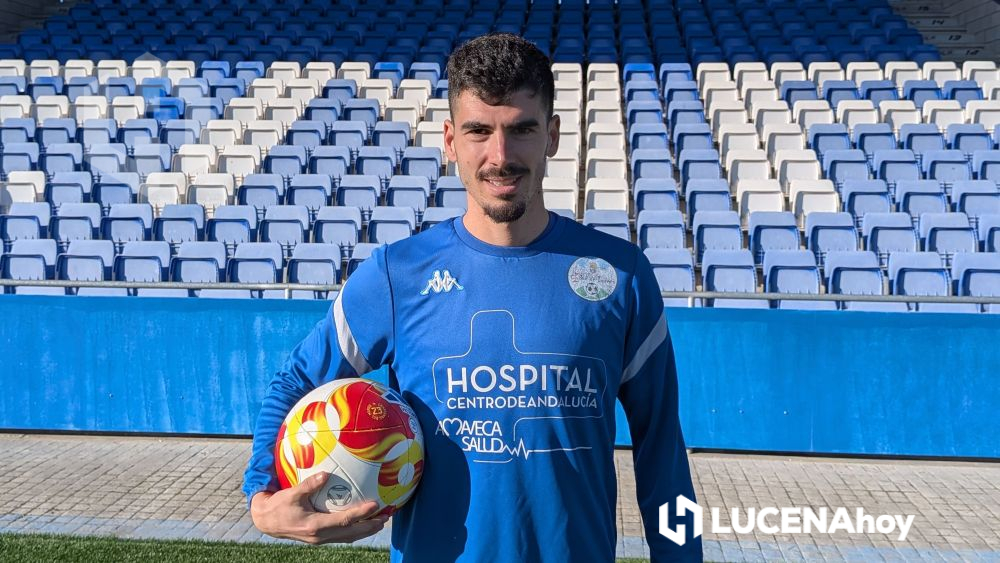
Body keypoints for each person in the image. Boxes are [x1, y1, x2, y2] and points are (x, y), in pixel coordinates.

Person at [244, 33, 703, 562]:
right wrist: (262, 498)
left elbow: (663, 454)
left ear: (553, 135)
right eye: (479, 130)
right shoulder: (397, 275)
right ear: (450, 140)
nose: (500, 156)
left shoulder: (620, 276)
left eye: (522, 129)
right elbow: (296, 382)